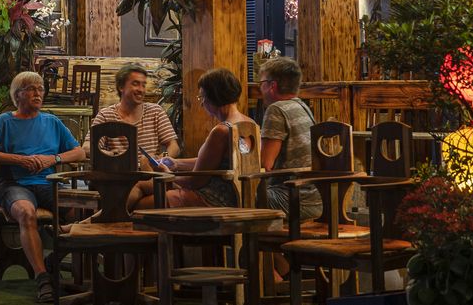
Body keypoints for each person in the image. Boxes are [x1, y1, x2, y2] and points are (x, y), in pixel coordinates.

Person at [0, 71, 85, 303]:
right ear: (18, 95)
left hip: (48, 182)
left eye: (40, 89)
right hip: (14, 184)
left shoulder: (52, 121)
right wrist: (19, 160)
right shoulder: (5, 121)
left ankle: (53, 260)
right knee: (26, 212)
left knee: (80, 211)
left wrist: (53, 159)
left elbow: (79, 152)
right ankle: (43, 278)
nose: (38, 93)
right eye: (31, 89)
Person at [136, 69, 253, 209]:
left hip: (212, 200)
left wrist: (168, 175)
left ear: (214, 96)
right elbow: (215, 163)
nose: (202, 103)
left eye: (202, 97)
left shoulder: (221, 131)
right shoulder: (250, 124)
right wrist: (177, 164)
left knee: (140, 204)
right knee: (143, 186)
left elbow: (195, 182)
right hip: (237, 197)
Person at [258, 57, 321, 222]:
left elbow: (265, 164)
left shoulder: (276, 109)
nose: (260, 89)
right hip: (314, 198)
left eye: (261, 83)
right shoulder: (302, 106)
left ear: (272, 86)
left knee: (230, 196)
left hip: (291, 198)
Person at [83, 64, 179, 168]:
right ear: (121, 87)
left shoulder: (156, 111)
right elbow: (87, 148)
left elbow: (174, 147)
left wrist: (159, 160)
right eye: (135, 84)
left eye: (143, 85)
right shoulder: (105, 115)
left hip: (149, 172)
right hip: (116, 173)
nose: (141, 90)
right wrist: (110, 154)